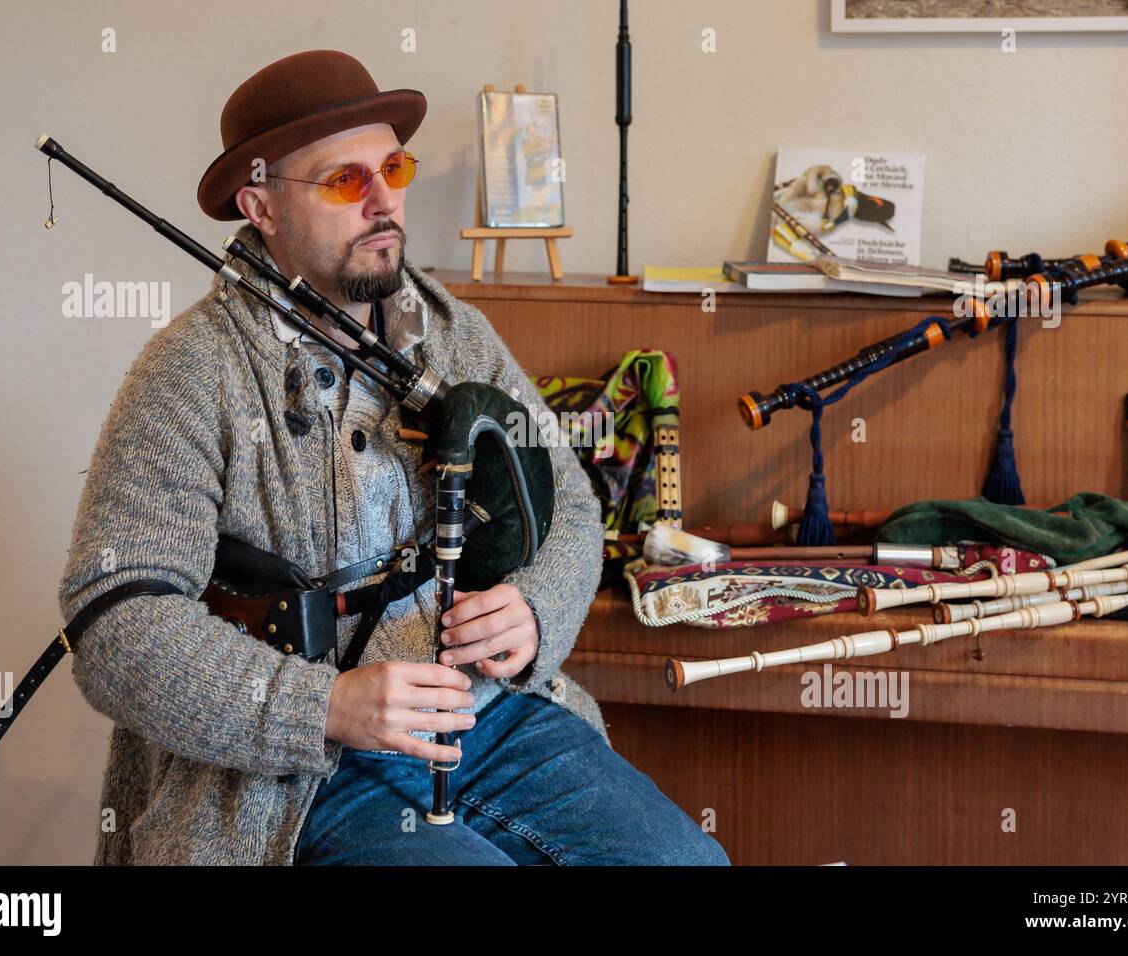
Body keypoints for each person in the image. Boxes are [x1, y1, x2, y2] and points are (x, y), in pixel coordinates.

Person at [58, 49, 729, 866]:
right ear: (260, 206)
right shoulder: (189, 373)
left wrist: (535, 610)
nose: (384, 202)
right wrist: (324, 707)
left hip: (484, 718)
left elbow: (571, 502)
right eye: (344, 181)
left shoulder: (455, 334)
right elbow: (115, 624)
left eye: (394, 167)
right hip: (298, 774)